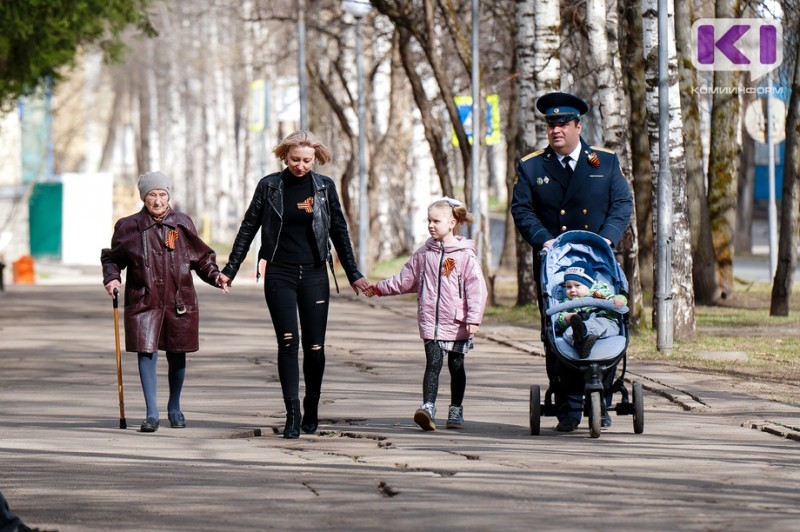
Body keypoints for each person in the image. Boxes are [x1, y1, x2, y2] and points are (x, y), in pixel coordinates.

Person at [217, 130, 369, 439]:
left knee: (315, 347)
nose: (301, 166)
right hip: (279, 274)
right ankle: (292, 413)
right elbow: (248, 227)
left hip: (314, 274)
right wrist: (230, 269)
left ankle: (311, 406)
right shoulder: (270, 186)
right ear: (285, 157)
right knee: (288, 342)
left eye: (307, 161)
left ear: (316, 159)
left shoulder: (324, 188)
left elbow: (339, 231)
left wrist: (354, 273)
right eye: (295, 160)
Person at [511, 91, 633, 433]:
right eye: (551, 124)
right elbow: (522, 209)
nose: (556, 130)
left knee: (607, 321)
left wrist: (606, 238)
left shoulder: (605, 162)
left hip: (598, 262)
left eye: (563, 123)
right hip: (554, 264)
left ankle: (602, 396)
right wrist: (543, 239)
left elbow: (622, 204)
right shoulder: (532, 165)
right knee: (557, 329)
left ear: (579, 126)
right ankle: (568, 405)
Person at [101, 171, 227, 433]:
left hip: (178, 298)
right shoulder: (128, 226)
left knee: (177, 352)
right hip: (143, 298)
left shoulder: (181, 223)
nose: (157, 200)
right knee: (146, 351)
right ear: (143, 197)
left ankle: (174, 407)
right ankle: (152, 413)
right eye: (151, 195)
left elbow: (201, 258)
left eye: (162, 194)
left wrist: (216, 277)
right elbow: (112, 258)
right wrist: (112, 278)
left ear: (168, 195)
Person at [366, 197, 487, 431]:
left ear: (452, 223)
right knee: (433, 363)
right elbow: (404, 280)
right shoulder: (423, 254)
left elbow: (476, 288)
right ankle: (428, 408)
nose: (431, 225)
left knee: (456, 366)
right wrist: (379, 288)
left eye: (436, 221)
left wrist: (473, 318)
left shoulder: (464, 256)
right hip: (430, 322)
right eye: (429, 221)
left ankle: (456, 408)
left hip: (457, 322)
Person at [556, 261, 627, 358]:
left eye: (577, 286)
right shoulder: (569, 302)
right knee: (567, 333)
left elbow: (612, 299)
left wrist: (619, 299)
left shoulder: (597, 294)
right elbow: (560, 319)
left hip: (604, 322)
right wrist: (567, 317)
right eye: (568, 287)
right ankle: (581, 344)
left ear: (588, 285)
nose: (572, 290)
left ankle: (584, 332)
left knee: (599, 324)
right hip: (579, 326)